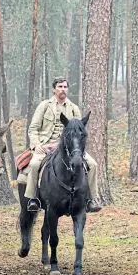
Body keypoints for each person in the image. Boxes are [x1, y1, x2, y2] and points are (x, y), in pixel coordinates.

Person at [25, 77, 102, 213]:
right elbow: (33, 129)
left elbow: (80, 130)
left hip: (69, 148)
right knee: (34, 164)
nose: (63, 89)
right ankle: (33, 198)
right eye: (60, 87)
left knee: (93, 164)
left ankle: (91, 199)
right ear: (54, 90)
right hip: (45, 146)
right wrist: (37, 145)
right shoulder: (44, 106)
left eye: (65, 87)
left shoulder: (74, 108)